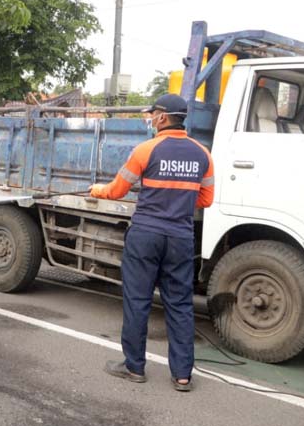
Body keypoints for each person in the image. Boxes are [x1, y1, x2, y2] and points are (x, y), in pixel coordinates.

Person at [89, 94, 214, 392]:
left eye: (152, 114)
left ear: (162, 117)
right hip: (181, 238)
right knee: (181, 304)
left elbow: (118, 190)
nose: (150, 118)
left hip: (146, 235)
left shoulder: (146, 150)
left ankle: (134, 367)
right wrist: (177, 198)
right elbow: (205, 199)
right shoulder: (202, 153)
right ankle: (182, 375)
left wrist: (97, 190)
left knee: (138, 300)